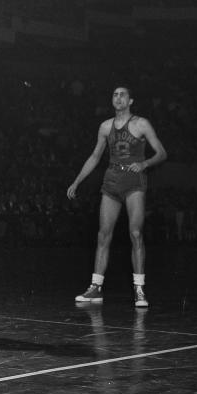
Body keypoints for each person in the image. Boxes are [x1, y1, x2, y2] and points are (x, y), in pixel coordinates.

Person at [66, 85, 167, 308]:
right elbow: (94, 157)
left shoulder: (141, 124)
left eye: (123, 94)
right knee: (103, 235)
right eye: (115, 94)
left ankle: (139, 290)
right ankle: (95, 288)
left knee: (135, 232)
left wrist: (144, 163)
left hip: (134, 182)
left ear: (131, 101)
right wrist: (77, 181)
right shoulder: (105, 127)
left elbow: (161, 153)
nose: (118, 97)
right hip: (111, 180)